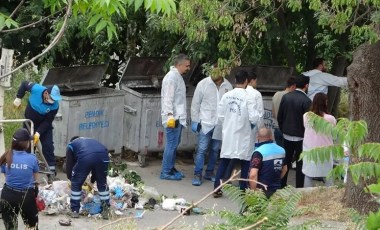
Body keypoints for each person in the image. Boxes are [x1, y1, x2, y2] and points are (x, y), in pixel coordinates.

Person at [213, 70, 260, 198]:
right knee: (245, 162)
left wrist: (229, 123)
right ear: (246, 81)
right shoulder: (248, 97)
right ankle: (242, 190)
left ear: (235, 80)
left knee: (225, 160)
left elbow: (220, 115)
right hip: (244, 135)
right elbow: (254, 118)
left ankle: (217, 188)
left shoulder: (226, 96)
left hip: (229, 134)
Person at [190, 68, 233, 186]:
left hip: (220, 124)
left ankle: (209, 172)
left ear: (222, 72)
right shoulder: (203, 84)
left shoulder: (228, 86)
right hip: (205, 123)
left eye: (216, 72)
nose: (212, 74)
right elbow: (195, 103)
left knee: (215, 150)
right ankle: (197, 174)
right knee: (202, 149)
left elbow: (230, 106)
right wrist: (195, 120)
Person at [13, 81, 62, 177]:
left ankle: (51, 172)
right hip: (29, 123)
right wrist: (19, 97)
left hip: (44, 125)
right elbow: (24, 84)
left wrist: (38, 133)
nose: (53, 101)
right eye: (52, 98)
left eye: (55, 99)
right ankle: (27, 169)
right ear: (46, 93)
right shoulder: (37, 89)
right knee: (28, 146)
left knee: (48, 146)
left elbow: (48, 121)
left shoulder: (55, 106)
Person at [160, 54, 191, 180]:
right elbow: (168, 98)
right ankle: (165, 171)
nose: (188, 68)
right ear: (179, 64)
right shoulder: (171, 78)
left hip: (177, 116)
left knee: (174, 144)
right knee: (171, 144)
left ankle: (170, 168)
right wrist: (170, 115)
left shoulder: (177, 77)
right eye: (187, 66)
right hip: (172, 117)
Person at [0, 128, 39, 230]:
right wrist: (36, 187)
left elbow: (6, 174)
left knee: (10, 226)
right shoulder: (32, 158)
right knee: (31, 226)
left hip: (8, 195)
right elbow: (35, 178)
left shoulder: (6, 156)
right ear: (26, 143)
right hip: (26, 196)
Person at [277, 75, 311, 188]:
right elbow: (308, 122)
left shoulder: (286, 97)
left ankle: (282, 185)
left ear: (295, 85)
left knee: (285, 161)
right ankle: (299, 187)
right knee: (300, 163)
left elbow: (280, 116)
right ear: (306, 86)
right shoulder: (307, 101)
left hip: (286, 134)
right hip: (301, 136)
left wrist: (283, 129)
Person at [65, 137, 110, 219]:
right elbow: (96, 163)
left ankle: (75, 210)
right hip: (104, 155)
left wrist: (71, 179)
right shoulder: (90, 141)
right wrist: (92, 180)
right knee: (102, 183)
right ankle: (106, 210)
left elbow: (69, 164)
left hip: (86, 157)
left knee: (76, 183)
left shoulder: (71, 145)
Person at [302, 93, 336, 187]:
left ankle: (306, 195)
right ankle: (330, 194)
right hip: (325, 151)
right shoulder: (330, 118)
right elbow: (334, 133)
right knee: (328, 175)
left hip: (309, 150)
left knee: (308, 175)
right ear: (325, 103)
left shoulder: (306, 116)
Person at [249, 127, 287, 198]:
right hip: (276, 188)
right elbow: (284, 169)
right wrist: (276, 180)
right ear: (271, 137)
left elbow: (253, 175)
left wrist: (252, 191)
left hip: (261, 190)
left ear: (257, 137)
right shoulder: (282, 150)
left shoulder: (258, 152)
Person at [272, 76, 296, 147]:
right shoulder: (290, 97)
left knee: (279, 153)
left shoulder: (276, 94)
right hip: (287, 130)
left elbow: (273, 113)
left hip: (276, 127)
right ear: (293, 86)